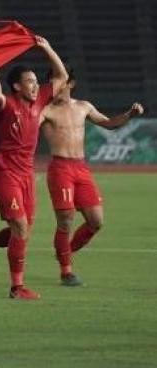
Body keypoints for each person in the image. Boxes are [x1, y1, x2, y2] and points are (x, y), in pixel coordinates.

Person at [0, 36, 68, 300]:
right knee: (21, 228)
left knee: (20, 232)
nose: (36, 86)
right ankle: (17, 287)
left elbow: (62, 75)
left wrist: (47, 47)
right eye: (30, 81)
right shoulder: (8, 104)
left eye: (37, 82)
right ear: (17, 86)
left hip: (27, 176)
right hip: (5, 174)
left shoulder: (39, 102)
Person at [41, 67, 144, 286]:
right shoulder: (46, 110)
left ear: (71, 83)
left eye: (59, 80)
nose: (54, 85)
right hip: (60, 168)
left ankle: (65, 252)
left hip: (81, 168)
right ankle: (66, 271)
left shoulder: (83, 107)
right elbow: (26, 127)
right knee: (66, 220)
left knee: (96, 222)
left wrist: (130, 115)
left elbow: (109, 124)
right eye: (51, 80)